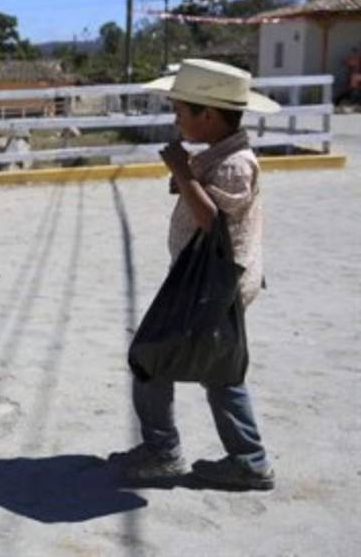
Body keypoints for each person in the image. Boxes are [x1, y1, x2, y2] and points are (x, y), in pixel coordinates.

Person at [111, 58, 280, 491]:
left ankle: (165, 452)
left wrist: (184, 174)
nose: (175, 118)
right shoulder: (222, 156)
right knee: (218, 372)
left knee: (151, 358)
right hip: (210, 285)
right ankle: (247, 459)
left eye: (180, 111)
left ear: (207, 115)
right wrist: (189, 175)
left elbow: (212, 221)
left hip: (212, 287)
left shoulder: (233, 165)